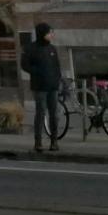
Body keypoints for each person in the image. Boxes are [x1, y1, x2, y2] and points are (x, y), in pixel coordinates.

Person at [20, 22, 62, 152]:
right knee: (41, 113)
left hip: (53, 87)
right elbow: (24, 65)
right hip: (39, 87)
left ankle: (54, 141)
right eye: (49, 33)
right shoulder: (30, 48)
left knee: (54, 114)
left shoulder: (52, 49)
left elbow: (57, 67)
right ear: (42, 34)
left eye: (52, 33)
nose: (52, 35)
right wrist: (37, 71)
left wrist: (59, 81)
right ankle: (38, 142)